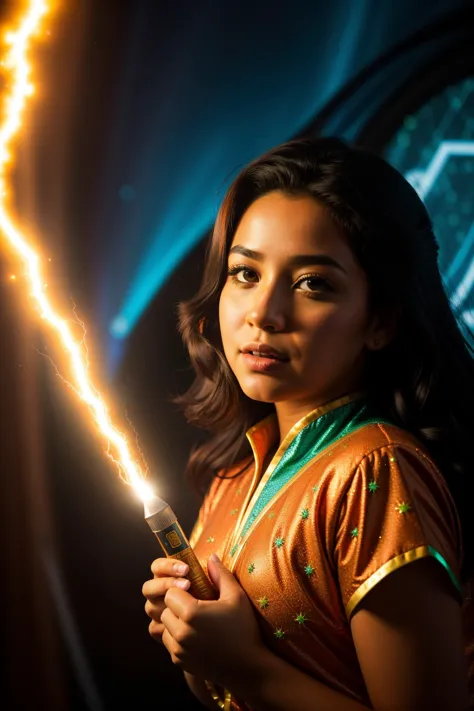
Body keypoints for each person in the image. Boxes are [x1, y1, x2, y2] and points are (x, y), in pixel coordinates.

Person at [142, 137, 474, 711]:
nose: (264, 314)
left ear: (381, 320)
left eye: (312, 283)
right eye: (245, 273)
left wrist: (245, 666)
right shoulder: (235, 471)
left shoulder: (375, 472)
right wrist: (193, 639)